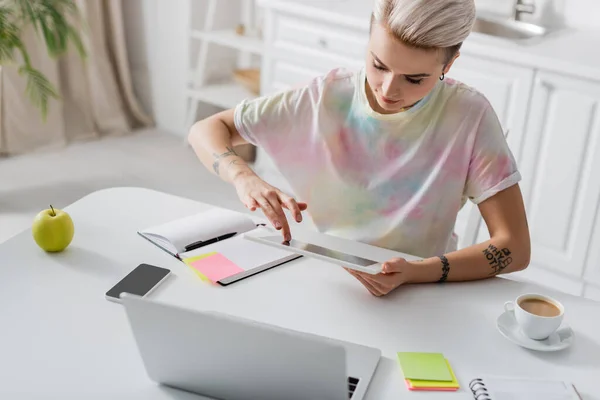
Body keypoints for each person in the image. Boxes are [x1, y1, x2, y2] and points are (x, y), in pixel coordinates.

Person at [187, 0, 531, 297]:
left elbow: (514, 248)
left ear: (448, 65)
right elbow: (206, 129)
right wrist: (243, 177)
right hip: (323, 275)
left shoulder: (468, 116)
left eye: (415, 79)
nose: (388, 89)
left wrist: (418, 272)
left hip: (421, 292)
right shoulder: (324, 97)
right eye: (378, 65)